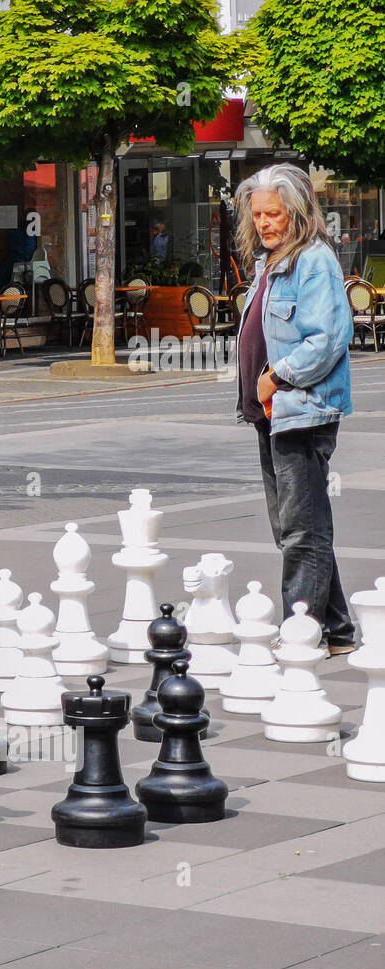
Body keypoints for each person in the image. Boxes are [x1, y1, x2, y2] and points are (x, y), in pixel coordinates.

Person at [232, 163, 355, 655]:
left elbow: (328, 339)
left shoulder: (313, 260)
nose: (263, 223)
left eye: (273, 214)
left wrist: (276, 375)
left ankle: (301, 634)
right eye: (257, 215)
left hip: (302, 409)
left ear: (297, 213)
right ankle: (338, 630)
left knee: (302, 529)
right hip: (273, 412)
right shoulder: (270, 262)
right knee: (293, 527)